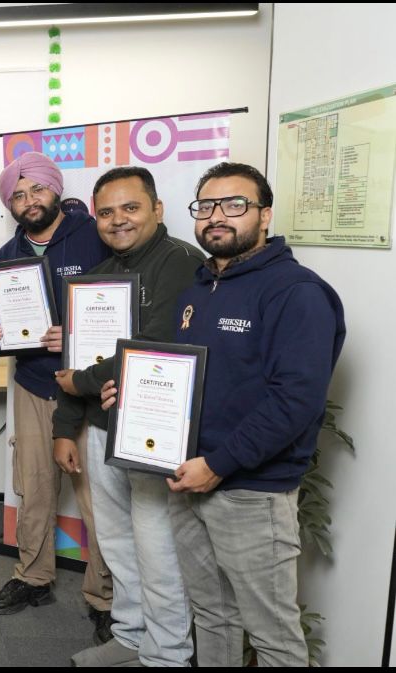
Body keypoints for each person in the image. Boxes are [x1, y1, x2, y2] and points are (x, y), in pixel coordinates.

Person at [166, 162, 345, 666]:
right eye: (206, 206)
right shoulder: (198, 290)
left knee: (273, 637)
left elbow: (295, 400)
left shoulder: (297, 292)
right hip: (188, 479)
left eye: (234, 204)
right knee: (212, 616)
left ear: (264, 216)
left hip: (250, 491)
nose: (217, 216)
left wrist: (218, 464)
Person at [52, 167, 205, 667]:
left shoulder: (181, 261)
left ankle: (167, 654)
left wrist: (82, 381)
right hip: (101, 430)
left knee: (157, 548)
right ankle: (131, 635)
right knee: (116, 542)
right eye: (106, 212)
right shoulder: (98, 275)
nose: (118, 220)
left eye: (131, 208)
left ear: (157, 209)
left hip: (151, 432)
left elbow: (156, 346)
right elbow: (76, 359)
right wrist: (65, 427)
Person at [0, 152, 114, 641]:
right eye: (18, 195)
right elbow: (5, 326)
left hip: (91, 388)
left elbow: (121, 307)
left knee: (99, 497)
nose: (29, 200)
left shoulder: (95, 235)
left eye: (36, 189)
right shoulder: (6, 255)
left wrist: (76, 336)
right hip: (34, 384)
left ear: (55, 189)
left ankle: (104, 597)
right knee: (34, 486)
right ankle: (33, 577)